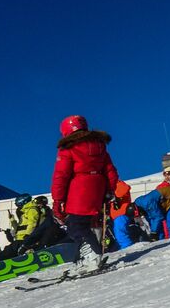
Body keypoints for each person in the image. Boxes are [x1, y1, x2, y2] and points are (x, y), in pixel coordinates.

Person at [51, 115, 119, 274]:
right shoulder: (100, 146)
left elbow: (61, 175)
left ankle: (92, 256)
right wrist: (109, 190)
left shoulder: (68, 147)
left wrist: (58, 199)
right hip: (98, 187)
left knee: (76, 226)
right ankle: (81, 259)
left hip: (79, 188)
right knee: (83, 224)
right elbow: (110, 171)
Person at [108, 180, 137, 250]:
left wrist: (113, 195)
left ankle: (128, 249)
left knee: (121, 234)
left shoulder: (118, 183)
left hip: (121, 213)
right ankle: (123, 249)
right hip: (117, 215)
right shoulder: (112, 186)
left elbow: (125, 189)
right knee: (118, 234)